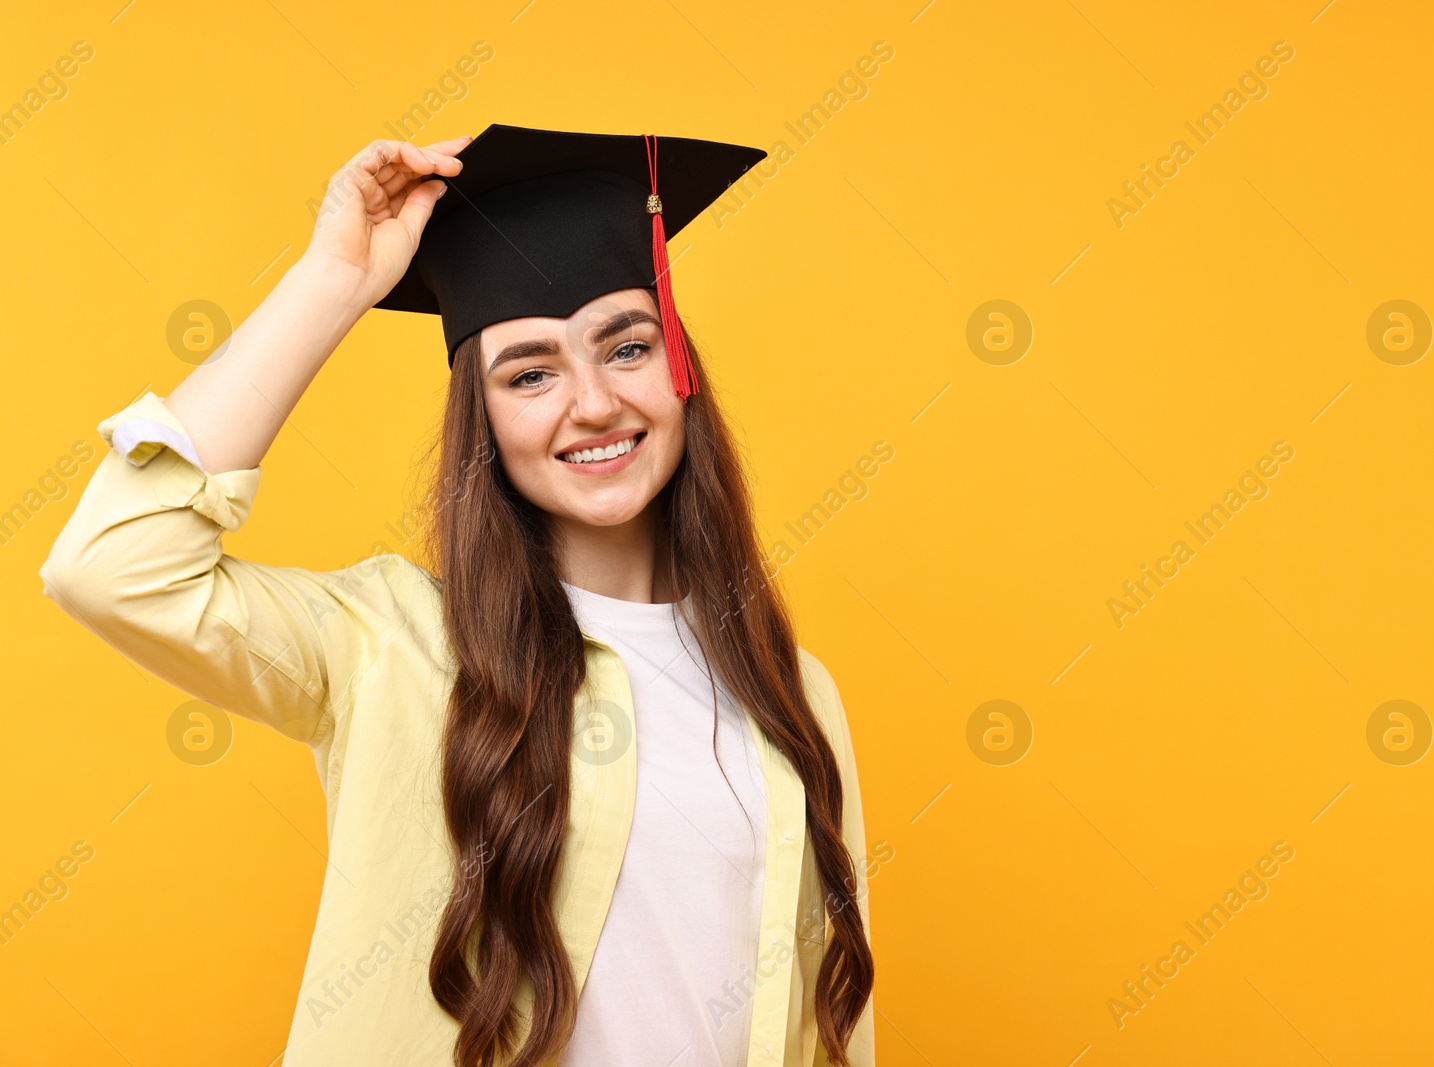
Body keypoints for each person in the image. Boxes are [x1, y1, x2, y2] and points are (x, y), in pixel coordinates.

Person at [39, 124, 875, 1067]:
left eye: (627, 348)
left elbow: (824, 1022)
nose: (592, 402)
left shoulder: (792, 693)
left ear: (680, 372)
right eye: (530, 373)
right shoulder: (388, 648)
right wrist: (332, 282)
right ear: (484, 419)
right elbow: (111, 565)